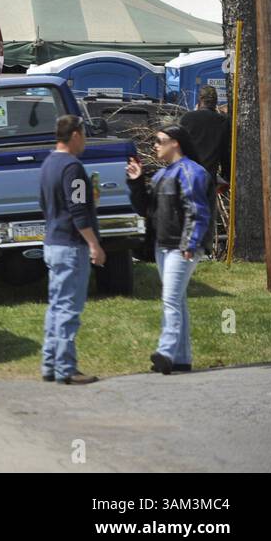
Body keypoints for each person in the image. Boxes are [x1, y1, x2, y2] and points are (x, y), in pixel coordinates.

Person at [126, 125, 212, 374]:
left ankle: (165, 352)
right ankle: (182, 358)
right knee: (178, 300)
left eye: (160, 140)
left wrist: (190, 243)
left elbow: (197, 211)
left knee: (171, 300)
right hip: (163, 246)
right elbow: (146, 210)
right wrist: (136, 182)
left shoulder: (192, 172)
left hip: (181, 248)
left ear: (176, 143)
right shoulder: (160, 175)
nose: (155, 145)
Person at [38, 115, 106, 385]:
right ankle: (66, 367)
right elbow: (78, 209)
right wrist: (94, 244)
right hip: (71, 246)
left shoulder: (47, 164)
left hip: (53, 242)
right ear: (75, 135)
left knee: (55, 307)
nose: (86, 141)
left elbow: (43, 203)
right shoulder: (73, 168)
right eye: (84, 135)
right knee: (68, 309)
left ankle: (49, 363)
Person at [177, 85, 229, 254]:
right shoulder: (222, 121)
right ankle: (204, 250)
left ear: (200, 100)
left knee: (185, 213)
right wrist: (227, 176)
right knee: (205, 215)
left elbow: (179, 146)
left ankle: (183, 246)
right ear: (215, 102)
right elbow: (225, 152)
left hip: (186, 173)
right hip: (208, 176)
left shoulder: (187, 118)